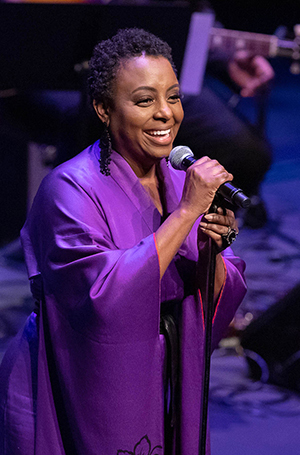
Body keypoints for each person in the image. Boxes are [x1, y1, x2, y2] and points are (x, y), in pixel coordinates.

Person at [0, 28, 246, 454]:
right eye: (145, 100)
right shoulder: (69, 190)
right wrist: (186, 215)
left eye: (173, 97)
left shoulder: (176, 178)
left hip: (162, 373)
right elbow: (103, 298)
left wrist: (213, 252)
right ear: (103, 108)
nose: (166, 114)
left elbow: (207, 297)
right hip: (83, 380)